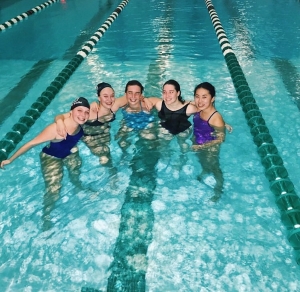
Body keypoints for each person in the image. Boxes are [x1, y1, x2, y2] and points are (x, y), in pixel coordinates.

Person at [1, 97, 90, 229]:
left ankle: (79, 187)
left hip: (68, 153)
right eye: (79, 110)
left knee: (76, 170)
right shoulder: (56, 129)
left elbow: (62, 116)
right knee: (54, 190)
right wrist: (10, 159)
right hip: (51, 157)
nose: (83, 115)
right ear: (71, 112)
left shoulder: (79, 121)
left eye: (86, 112)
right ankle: (46, 214)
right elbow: (31, 143)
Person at [55, 82, 127, 166]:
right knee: (103, 155)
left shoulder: (115, 105)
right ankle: (113, 175)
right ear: (99, 98)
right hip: (89, 135)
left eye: (112, 95)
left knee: (112, 149)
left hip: (104, 133)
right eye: (105, 96)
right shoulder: (89, 112)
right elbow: (60, 116)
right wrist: (60, 122)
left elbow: (131, 97)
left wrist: (145, 101)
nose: (110, 99)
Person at [192, 82, 230, 202]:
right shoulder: (198, 107)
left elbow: (221, 139)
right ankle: (205, 170)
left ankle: (218, 191)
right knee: (202, 161)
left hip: (209, 147)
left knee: (215, 168)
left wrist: (203, 146)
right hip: (199, 143)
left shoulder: (215, 117)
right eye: (197, 96)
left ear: (212, 98)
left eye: (204, 97)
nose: (200, 100)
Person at [114, 80, 157, 150]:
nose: (133, 96)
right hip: (129, 122)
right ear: (126, 94)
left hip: (146, 123)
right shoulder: (123, 105)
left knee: (151, 143)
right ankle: (125, 157)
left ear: (141, 95)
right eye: (130, 93)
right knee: (121, 142)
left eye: (137, 93)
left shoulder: (148, 104)